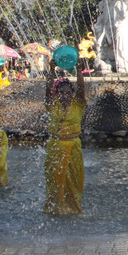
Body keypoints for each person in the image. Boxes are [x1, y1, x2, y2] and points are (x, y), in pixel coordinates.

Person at [44, 68, 86, 215]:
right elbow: (48, 89)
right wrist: (51, 69)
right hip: (55, 146)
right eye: (61, 93)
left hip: (73, 145)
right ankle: (54, 208)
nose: (65, 96)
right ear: (57, 94)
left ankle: (73, 208)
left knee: (75, 179)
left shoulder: (78, 104)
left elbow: (81, 88)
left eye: (68, 93)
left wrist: (79, 71)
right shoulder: (52, 105)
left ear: (72, 94)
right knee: (54, 179)